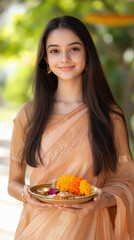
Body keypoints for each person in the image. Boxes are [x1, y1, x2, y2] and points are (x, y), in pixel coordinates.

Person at [8, 15, 134, 240]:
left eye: (74, 48)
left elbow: (126, 179)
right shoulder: (29, 114)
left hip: (92, 229)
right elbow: (13, 183)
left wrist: (103, 200)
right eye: (54, 50)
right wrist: (26, 194)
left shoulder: (108, 115)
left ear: (87, 54)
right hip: (39, 229)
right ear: (46, 59)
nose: (64, 58)